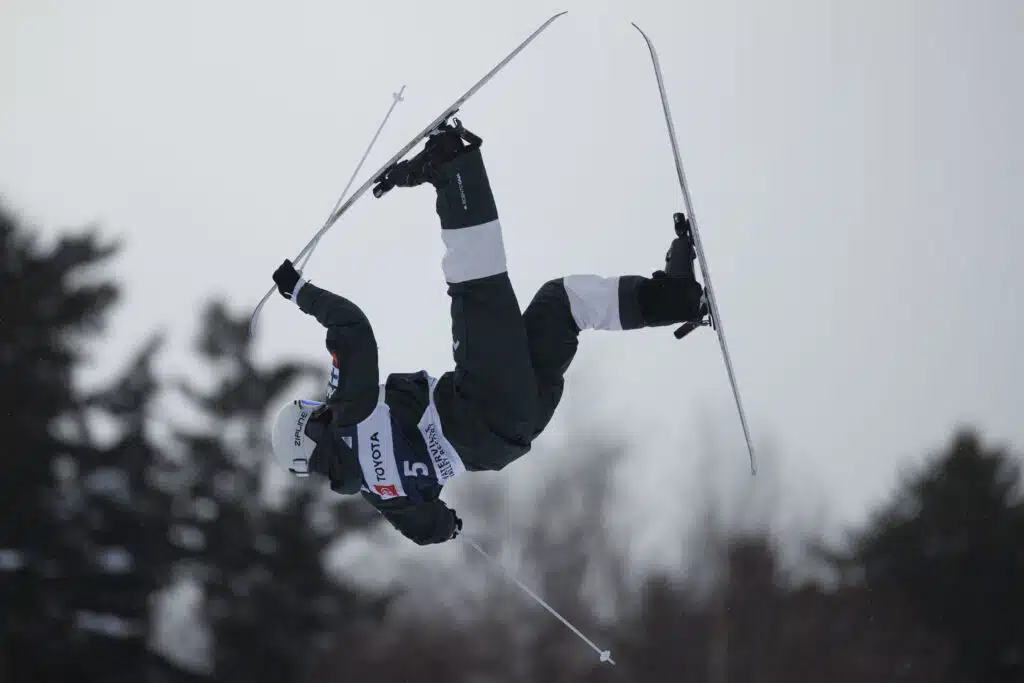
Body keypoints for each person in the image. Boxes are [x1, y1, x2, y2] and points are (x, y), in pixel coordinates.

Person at [268, 119, 705, 545]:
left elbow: (426, 529)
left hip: (510, 435)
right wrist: (299, 291)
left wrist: (449, 525)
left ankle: (673, 299)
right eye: (314, 409)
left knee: (563, 303)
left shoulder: (374, 491)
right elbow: (352, 330)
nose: (321, 406)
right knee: (475, 288)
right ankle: (452, 167)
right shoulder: (348, 416)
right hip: (480, 403)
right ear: (310, 427)